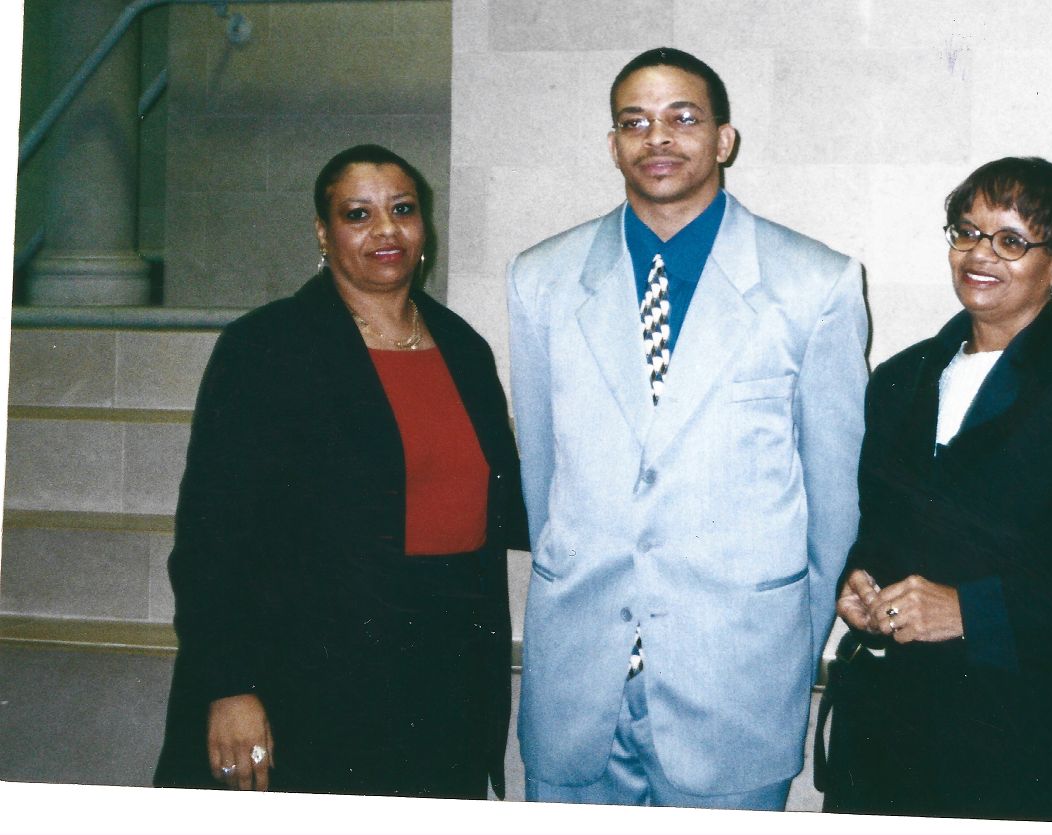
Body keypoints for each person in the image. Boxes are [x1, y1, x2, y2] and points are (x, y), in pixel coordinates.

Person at [507, 47, 869, 810]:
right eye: (635, 122)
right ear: (613, 146)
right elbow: (542, 477)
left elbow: (836, 502)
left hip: (735, 675)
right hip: (578, 671)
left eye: (683, 117)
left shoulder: (815, 282)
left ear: (724, 139)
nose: (658, 138)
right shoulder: (540, 278)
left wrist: (785, 652)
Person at [154, 144, 526, 798]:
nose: (386, 230)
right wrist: (228, 683)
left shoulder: (463, 348)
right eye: (358, 214)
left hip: (444, 678)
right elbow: (213, 534)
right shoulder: (268, 347)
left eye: (403, 210)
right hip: (309, 678)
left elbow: (500, 502)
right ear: (324, 234)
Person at [832, 157, 1052, 824]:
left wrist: (971, 611)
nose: (979, 254)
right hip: (899, 741)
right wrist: (860, 590)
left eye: (1011, 240)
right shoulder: (899, 378)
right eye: (967, 232)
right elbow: (879, 532)